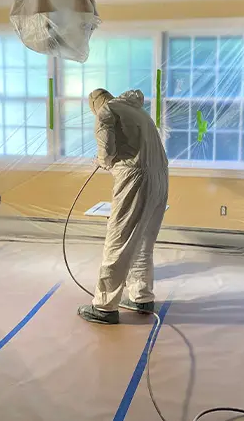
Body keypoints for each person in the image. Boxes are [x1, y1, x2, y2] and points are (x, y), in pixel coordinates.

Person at [78, 89, 169, 325]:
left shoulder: (106, 112)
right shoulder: (139, 113)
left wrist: (101, 161)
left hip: (135, 179)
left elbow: (107, 152)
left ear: (95, 105)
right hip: (160, 178)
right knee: (143, 243)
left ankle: (105, 306)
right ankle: (141, 297)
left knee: (118, 240)